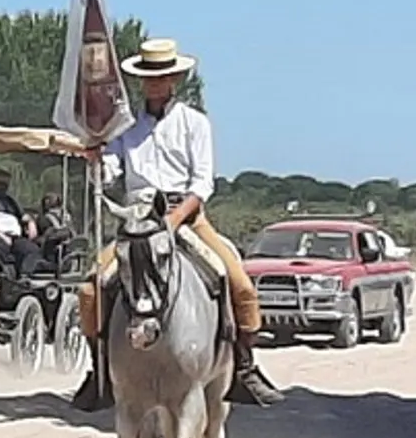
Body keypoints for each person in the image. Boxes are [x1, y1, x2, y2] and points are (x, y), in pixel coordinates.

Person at [70, 38, 285, 411]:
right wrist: (95, 158)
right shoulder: (124, 127)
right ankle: (100, 369)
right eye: (150, 77)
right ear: (142, 82)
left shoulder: (194, 124)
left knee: (239, 284)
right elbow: (110, 174)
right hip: (137, 218)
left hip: (185, 214)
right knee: (91, 290)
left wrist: (172, 220)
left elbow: (203, 183)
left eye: (163, 77)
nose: (156, 83)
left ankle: (244, 367)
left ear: (175, 80)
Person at [0, 169, 44, 278]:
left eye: (5, 185)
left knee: (31, 249)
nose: (1, 187)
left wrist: (31, 223)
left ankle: (24, 278)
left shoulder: (10, 201)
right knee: (1, 253)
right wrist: (2, 236)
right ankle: (5, 280)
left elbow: (24, 216)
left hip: (15, 238)